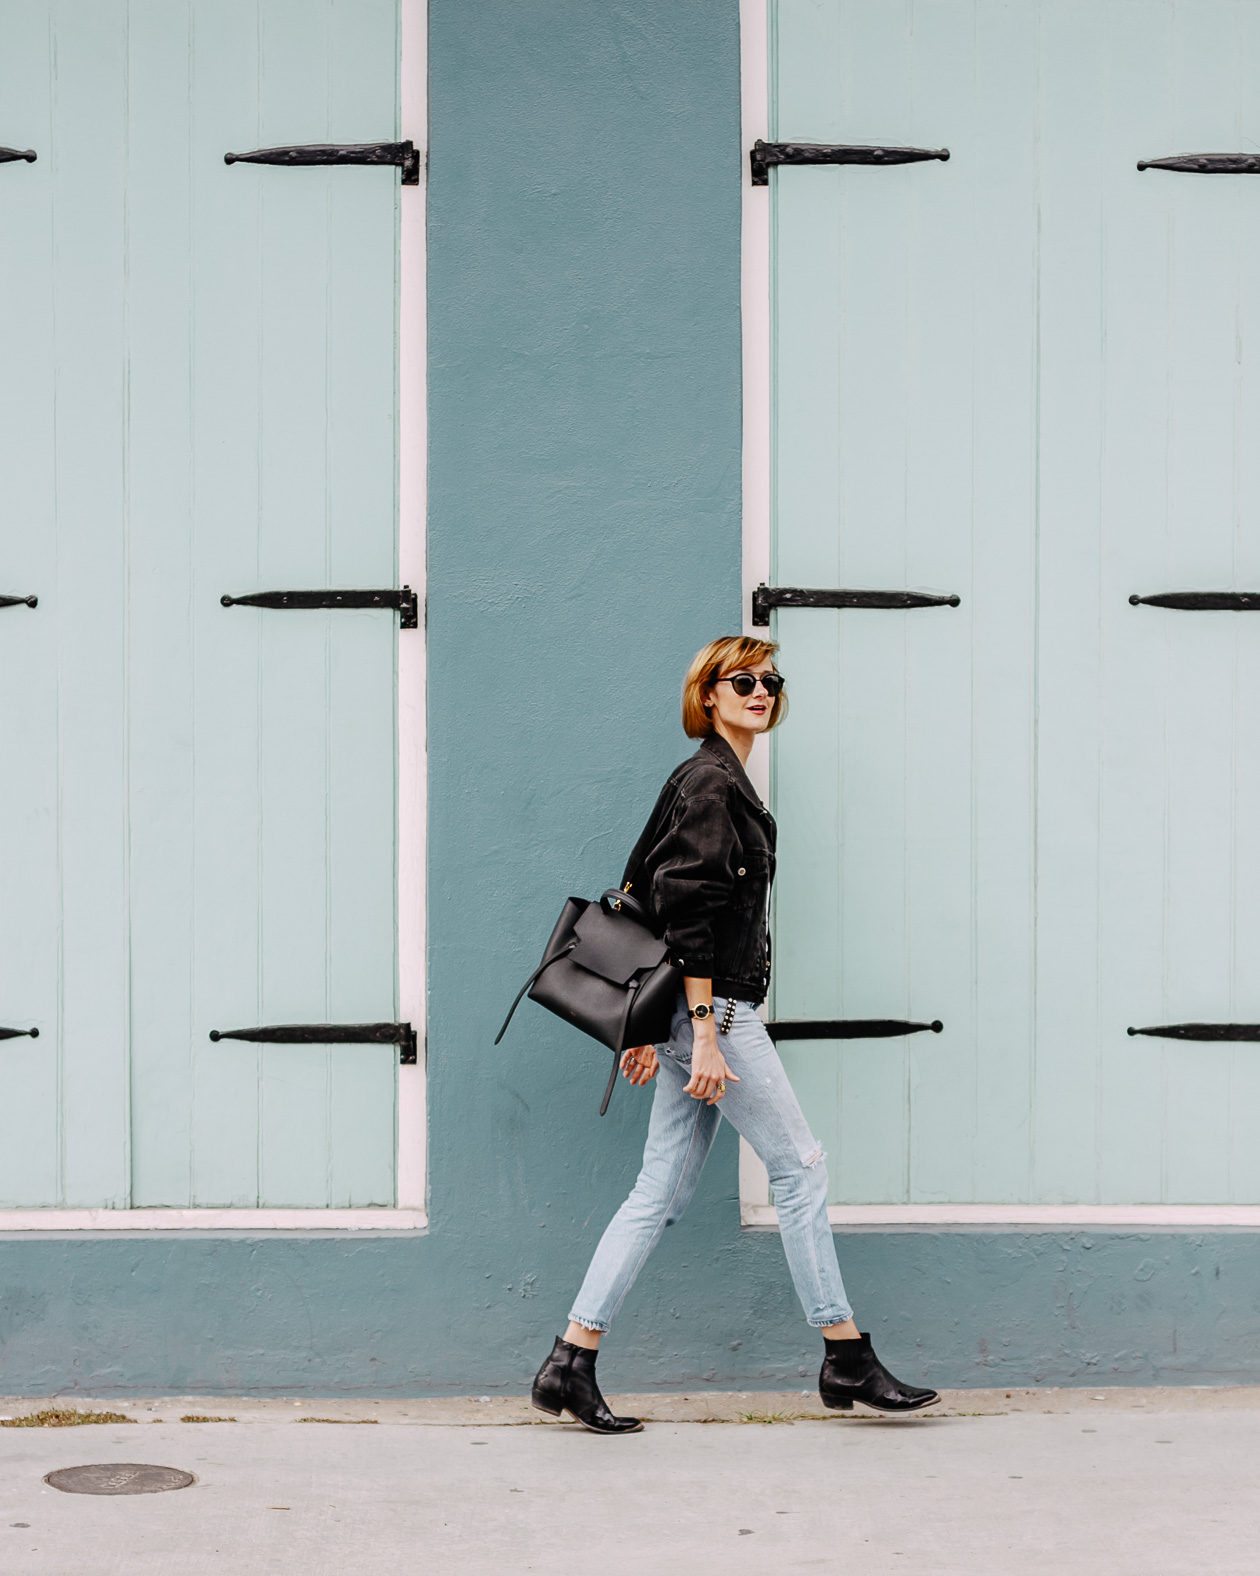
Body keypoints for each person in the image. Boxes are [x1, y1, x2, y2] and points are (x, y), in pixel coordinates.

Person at [529, 635, 938, 1434]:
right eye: (741, 680)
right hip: (718, 1013)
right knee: (800, 1168)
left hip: (691, 1014)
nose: (760, 691)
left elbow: (641, 888)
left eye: (770, 680)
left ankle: (569, 1362)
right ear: (707, 694)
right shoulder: (713, 782)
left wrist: (656, 1025)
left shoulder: (709, 781)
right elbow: (685, 914)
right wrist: (704, 1034)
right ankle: (844, 1353)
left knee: (659, 1193)